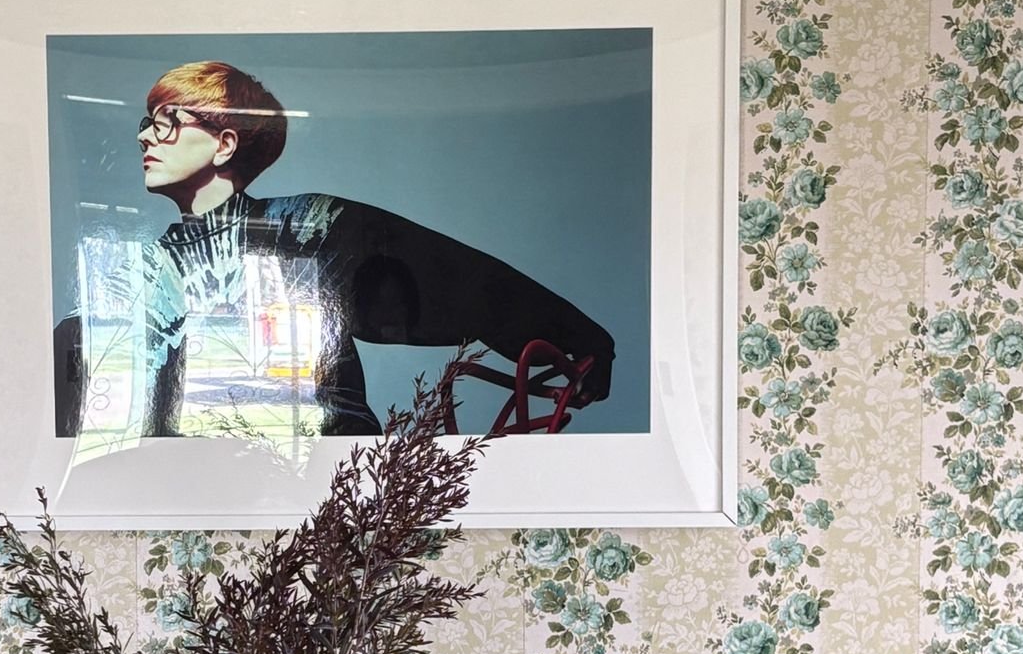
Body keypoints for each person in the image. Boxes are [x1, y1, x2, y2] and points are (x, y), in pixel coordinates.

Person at [52, 59, 615, 446]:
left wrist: (580, 341)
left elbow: (460, 281)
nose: (145, 137)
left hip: (332, 499)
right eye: (146, 124)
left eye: (167, 122)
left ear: (225, 143)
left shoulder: (313, 227)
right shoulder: (132, 278)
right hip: (193, 509)